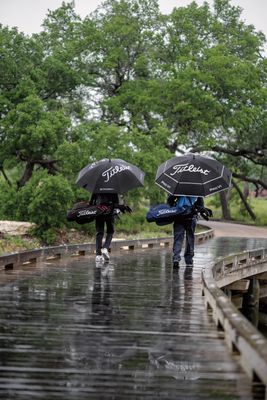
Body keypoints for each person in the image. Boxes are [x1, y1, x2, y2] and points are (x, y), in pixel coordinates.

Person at [167, 195, 207, 269]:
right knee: (190, 239)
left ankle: (176, 258)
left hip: (178, 217)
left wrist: (176, 203)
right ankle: (189, 260)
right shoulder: (197, 191)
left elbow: (169, 201)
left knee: (178, 238)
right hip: (191, 218)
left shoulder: (178, 190)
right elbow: (201, 206)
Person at [89, 192, 120, 262]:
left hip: (99, 211)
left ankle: (98, 255)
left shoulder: (97, 187)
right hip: (110, 212)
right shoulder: (113, 188)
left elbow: (91, 202)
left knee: (99, 232)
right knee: (110, 231)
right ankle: (105, 248)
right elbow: (116, 203)